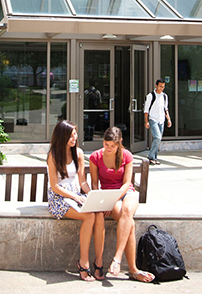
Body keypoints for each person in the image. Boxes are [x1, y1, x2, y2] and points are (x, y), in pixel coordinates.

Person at [89, 127, 155, 283]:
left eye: (113, 146)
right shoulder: (95, 157)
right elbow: (94, 184)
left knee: (127, 210)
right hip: (109, 197)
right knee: (129, 223)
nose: (109, 149)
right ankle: (133, 270)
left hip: (126, 193)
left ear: (119, 144)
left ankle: (117, 258)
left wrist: (116, 197)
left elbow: (127, 183)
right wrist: (103, 202)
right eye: (106, 144)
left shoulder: (127, 155)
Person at [47, 120, 105, 281]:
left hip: (75, 196)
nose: (74, 138)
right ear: (62, 136)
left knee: (98, 212)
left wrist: (93, 195)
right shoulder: (53, 155)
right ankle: (83, 262)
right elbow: (54, 186)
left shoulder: (78, 153)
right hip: (58, 197)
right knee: (89, 216)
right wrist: (75, 196)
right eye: (71, 135)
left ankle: (97, 260)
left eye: (75, 134)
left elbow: (82, 182)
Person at [144, 79, 172, 165]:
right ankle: (150, 156)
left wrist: (169, 119)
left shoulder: (164, 96)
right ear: (156, 85)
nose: (162, 88)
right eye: (160, 86)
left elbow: (165, 109)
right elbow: (146, 110)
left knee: (157, 139)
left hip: (161, 120)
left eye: (163, 86)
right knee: (158, 138)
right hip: (153, 119)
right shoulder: (150, 96)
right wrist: (146, 121)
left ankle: (154, 159)